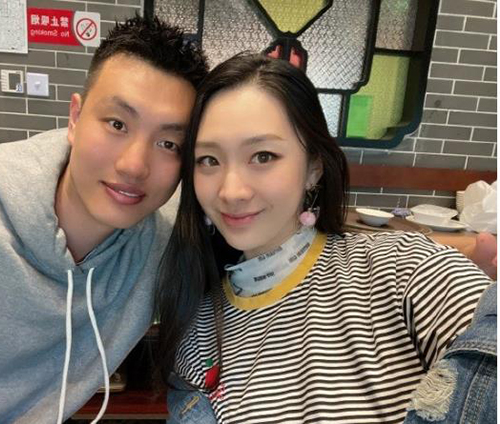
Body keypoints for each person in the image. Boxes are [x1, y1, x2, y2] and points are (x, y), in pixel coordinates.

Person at [155, 53, 494, 423]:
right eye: (208, 160)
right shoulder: (199, 326)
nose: (231, 191)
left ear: (313, 168)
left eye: (263, 156)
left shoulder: (403, 267)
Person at [0, 15, 207, 424]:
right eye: (117, 124)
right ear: (75, 118)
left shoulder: (170, 241)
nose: (134, 165)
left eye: (168, 143)